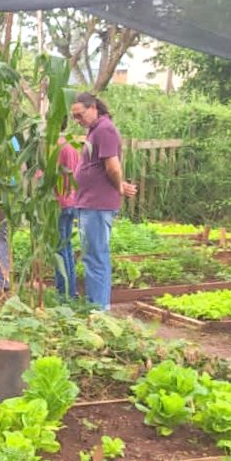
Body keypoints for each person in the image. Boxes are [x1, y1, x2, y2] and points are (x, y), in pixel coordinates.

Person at [69, 93, 137, 309]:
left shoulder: (104, 129)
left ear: (93, 108)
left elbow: (113, 166)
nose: (78, 121)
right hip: (90, 204)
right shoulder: (95, 130)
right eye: (75, 118)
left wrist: (118, 186)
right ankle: (95, 306)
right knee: (92, 256)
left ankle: (99, 309)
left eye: (80, 116)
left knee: (95, 257)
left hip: (97, 205)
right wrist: (120, 185)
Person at [53, 134, 82, 297]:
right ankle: (71, 291)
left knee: (59, 249)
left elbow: (47, 175)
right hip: (72, 201)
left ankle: (63, 292)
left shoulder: (55, 146)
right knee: (67, 247)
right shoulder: (71, 146)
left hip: (59, 202)